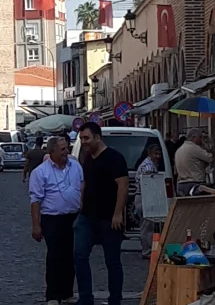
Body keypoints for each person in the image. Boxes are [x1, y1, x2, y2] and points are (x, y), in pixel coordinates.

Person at [74, 122, 129, 305]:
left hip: (109, 218)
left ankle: (115, 299)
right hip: (87, 216)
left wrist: (118, 214)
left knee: (112, 261)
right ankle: (85, 298)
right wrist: (81, 204)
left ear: (98, 137)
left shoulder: (114, 158)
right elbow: (86, 183)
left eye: (87, 138)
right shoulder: (87, 158)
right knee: (79, 255)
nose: (84, 142)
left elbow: (123, 185)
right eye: (82, 139)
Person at [30, 136, 83, 305]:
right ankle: (52, 295)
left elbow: (82, 184)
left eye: (67, 148)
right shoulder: (40, 172)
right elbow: (35, 200)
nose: (67, 152)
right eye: (62, 150)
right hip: (51, 218)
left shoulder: (75, 166)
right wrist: (36, 225)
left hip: (73, 217)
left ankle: (67, 292)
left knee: (71, 255)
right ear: (51, 152)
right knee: (55, 255)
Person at [135, 142, 164, 260]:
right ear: (149, 154)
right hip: (145, 197)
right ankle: (147, 251)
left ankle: (148, 250)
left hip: (144, 197)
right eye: (155, 154)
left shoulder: (149, 164)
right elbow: (150, 185)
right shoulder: (148, 167)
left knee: (148, 225)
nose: (158, 156)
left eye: (159, 154)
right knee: (147, 226)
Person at [175, 128, 213, 196]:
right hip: (194, 183)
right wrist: (205, 146)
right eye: (200, 137)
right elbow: (210, 158)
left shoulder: (179, 150)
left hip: (181, 184)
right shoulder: (194, 148)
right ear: (194, 137)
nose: (201, 140)